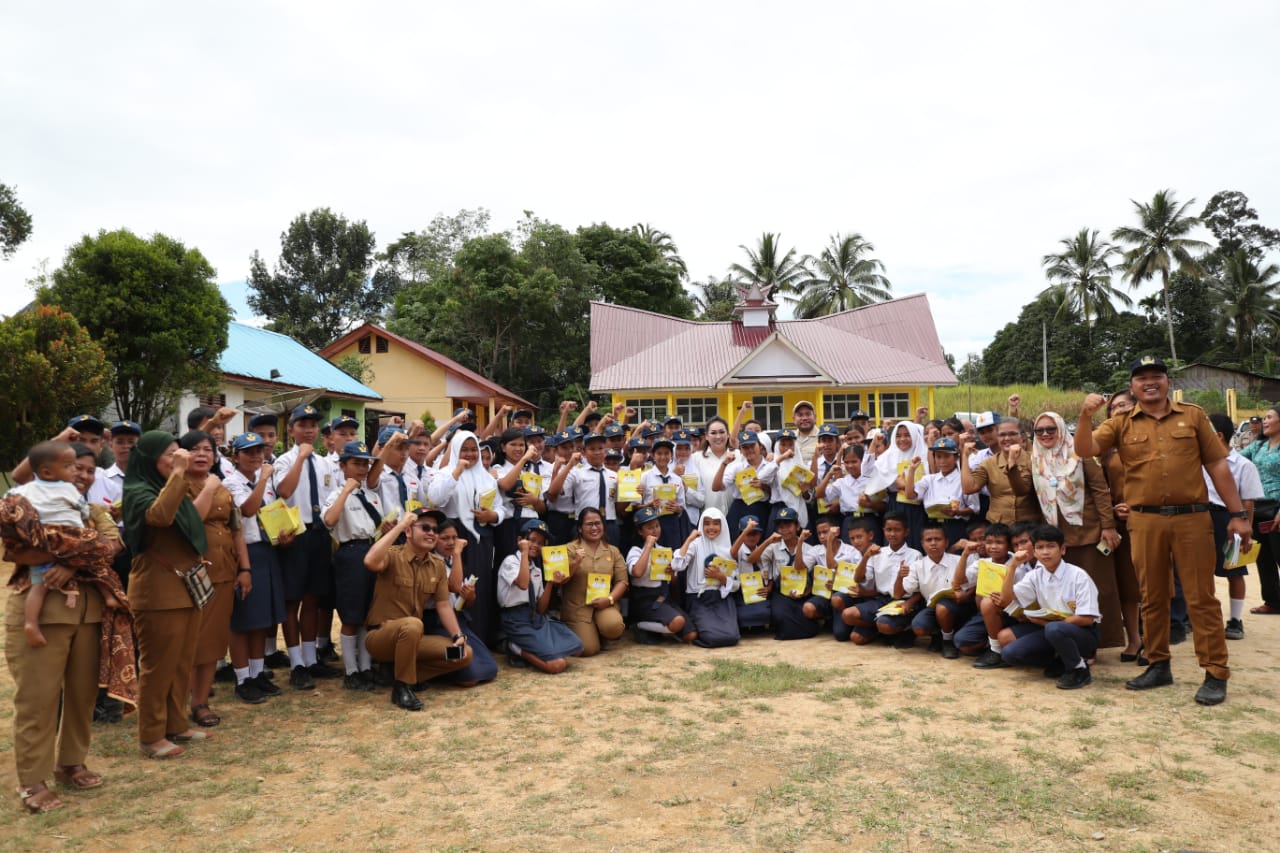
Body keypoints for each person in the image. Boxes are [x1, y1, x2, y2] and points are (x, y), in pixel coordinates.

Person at [1076, 356, 1251, 706]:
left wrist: (1237, 513)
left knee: (1201, 597)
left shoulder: (1193, 416)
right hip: (1144, 520)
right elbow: (1085, 449)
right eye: (1141, 379)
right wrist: (1084, 416)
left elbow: (1217, 464)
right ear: (1133, 387)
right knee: (1152, 595)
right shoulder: (1121, 423)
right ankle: (1158, 664)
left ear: (1167, 381)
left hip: (1192, 518)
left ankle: (1215, 672)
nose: (1149, 382)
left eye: (1156, 376)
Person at [122, 431, 213, 758]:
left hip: (185, 586)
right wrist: (178, 474)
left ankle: (176, 724)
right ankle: (151, 735)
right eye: (171, 455)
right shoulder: (137, 490)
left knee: (180, 662)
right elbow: (159, 517)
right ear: (149, 458)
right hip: (158, 590)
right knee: (158, 665)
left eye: (180, 453)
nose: (180, 459)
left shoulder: (168, 486)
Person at [5, 442, 122, 648]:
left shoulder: (95, 509)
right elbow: (15, 552)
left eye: (90, 471)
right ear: (48, 472)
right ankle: (31, 624)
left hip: (88, 615)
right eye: (74, 467)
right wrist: (76, 554)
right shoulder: (60, 494)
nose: (81, 475)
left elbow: (113, 546)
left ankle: (107, 596)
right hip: (51, 616)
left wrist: (71, 563)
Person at [1028, 412, 1124, 651]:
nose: (1046, 434)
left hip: (1088, 531)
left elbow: (1100, 489)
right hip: (1056, 536)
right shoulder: (1035, 457)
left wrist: (1109, 526)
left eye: (1051, 429)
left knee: (1099, 588)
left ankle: (1100, 641)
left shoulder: (1081, 454)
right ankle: (1066, 641)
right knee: (1063, 594)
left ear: (1061, 428)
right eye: (1039, 431)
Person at [362, 509, 474, 711]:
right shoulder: (393, 556)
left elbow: (443, 604)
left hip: (414, 640)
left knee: (463, 653)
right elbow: (370, 561)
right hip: (380, 637)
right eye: (425, 528)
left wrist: (457, 634)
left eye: (434, 529)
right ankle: (402, 687)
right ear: (408, 532)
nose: (432, 533)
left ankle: (398, 673)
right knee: (413, 624)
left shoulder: (437, 565)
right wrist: (398, 526)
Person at [179, 430, 247, 729]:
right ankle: (179, 700)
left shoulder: (222, 488)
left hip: (223, 572)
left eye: (208, 449)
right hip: (191, 574)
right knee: (189, 641)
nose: (202, 454)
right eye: (194, 449)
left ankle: (201, 702)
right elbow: (192, 521)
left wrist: (245, 569)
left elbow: (236, 530)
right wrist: (209, 488)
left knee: (213, 641)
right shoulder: (178, 486)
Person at [270, 404, 339, 690]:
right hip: (294, 535)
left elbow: (330, 499)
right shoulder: (284, 461)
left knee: (313, 598)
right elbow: (284, 491)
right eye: (303, 424)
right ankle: (296, 661)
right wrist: (300, 457)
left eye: (313, 425)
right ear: (291, 430)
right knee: (292, 600)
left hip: (319, 534)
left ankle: (312, 659)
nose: (309, 429)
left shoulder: (325, 464)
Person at [222, 432, 287, 704]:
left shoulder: (267, 482)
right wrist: (262, 479)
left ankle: (258, 673)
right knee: (242, 621)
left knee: (261, 620)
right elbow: (248, 510)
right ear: (235, 456)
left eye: (259, 451)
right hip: (243, 553)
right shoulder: (231, 483)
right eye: (248, 452)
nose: (256, 457)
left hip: (266, 550)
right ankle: (242, 678)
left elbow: (272, 513)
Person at [996, 525, 1101, 689]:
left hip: (1082, 633)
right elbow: (1006, 599)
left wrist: (1046, 624)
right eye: (1040, 547)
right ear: (1035, 552)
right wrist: (1013, 566)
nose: (1045, 552)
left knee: (1054, 629)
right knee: (1010, 654)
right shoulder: (1034, 575)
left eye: (1051, 546)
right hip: (1050, 629)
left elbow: (1087, 618)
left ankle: (1079, 669)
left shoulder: (1078, 576)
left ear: (1063, 549)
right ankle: (1061, 659)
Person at [322, 441, 391, 690]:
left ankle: (365, 666)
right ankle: (351, 671)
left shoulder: (371, 495)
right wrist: (346, 490)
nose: (362, 469)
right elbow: (329, 521)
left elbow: (374, 529)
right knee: (351, 615)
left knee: (367, 614)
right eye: (356, 463)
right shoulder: (336, 494)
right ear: (343, 466)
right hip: (350, 554)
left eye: (365, 463)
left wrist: (384, 529)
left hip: (371, 550)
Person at [427, 429, 504, 649]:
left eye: (474, 450)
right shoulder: (444, 473)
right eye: (464, 450)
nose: (470, 455)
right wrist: (457, 472)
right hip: (454, 535)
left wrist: (493, 516)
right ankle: (458, 635)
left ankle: (482, 638)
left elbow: (499, 508)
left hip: (481, 537)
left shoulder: (486, 477)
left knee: (479, 585)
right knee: (455, 586)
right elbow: (436, 499)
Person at [497, 519, 583, 672]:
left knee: (576, 648)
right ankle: (515, 648)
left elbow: (541, 608)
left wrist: (550, 582)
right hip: (516, 620)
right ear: (520, 540)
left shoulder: (536, 569)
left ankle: (539, 646)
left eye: (541, 542)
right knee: (557, 664)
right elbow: (523, 583)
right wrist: (524, 552)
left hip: (536, 618)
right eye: (532, 540)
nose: (536, 545)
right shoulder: (510, 562)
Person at [1207, 411, 1265, 639]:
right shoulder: (1198, 461)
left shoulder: (1243, 465)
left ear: (1219, 436)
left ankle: (1235, 620)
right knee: (1201, 571)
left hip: (1229, 519)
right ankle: (1200, 617)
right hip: (1202, 518)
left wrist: (1247, 532)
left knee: (1234, 570)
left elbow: (1248, 501)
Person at [841, 513, 922, 645]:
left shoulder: (915, 555)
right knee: (847, 616)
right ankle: (878, 628)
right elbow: (858, 578)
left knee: (884, 625)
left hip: (903, 601)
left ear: (906, 532)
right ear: (883, 531)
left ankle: (902, 628)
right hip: (882, 600)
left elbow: (921, 588)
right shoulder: (878, 553)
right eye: (889, 530)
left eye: (897, 530)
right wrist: (866, 556)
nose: (892, 534)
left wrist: (909, 603)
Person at [560, 508, 628, 655]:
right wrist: (576, 562)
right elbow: (560, 580)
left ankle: (600, 630)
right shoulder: (570, 549)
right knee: (588, 649)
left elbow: (622, 581)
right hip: (579, 607)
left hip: (604, 605)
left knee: (614, 626)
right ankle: (587, 632)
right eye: (589, 524)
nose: (594, 528)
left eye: (598, 523)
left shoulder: (613, 551)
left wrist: (609, 599)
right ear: (580, 528)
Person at [627, 506, 696, 643]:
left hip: (663, 597)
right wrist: (648, 546)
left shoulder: (664, 551)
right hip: (645, 600)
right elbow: (637, 572)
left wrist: (671, 574)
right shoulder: (635, 551)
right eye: (649, 527)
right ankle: (638, 625)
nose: (655, 530)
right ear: (640, 531)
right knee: (678, 622)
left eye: (657, 526)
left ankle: (661, 630)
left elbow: (673, 583)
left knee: (691, 635)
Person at [673, 507, 740, 647]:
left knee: (732, 637)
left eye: (716, 523)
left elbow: (736, 584)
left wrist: (721, 577)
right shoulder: (695, 545)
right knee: (712, 637)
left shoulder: (728, 549)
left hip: (721, 600)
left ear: (722, 526)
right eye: (707, 523)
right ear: (701, 525)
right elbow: (677, 565)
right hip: (699, 599)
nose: (711, 527)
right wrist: (690, 539)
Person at [1239, 406, 1280, 617]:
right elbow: (1234, 459)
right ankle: (1273, 601)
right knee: (1263, 557)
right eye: (1264, 417)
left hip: (1277, 508)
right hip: (1259, 507)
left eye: (1269, 417)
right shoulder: (1258, 446)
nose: (1265, 421)